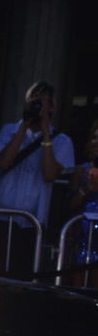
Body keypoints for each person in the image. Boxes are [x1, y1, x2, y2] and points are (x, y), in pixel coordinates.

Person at [0, 81, 74, 277]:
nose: (35, 107)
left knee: (23, 277)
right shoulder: (9, 130)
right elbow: (3, 163)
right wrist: (24, 127)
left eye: (41, 103)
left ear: (51, 107)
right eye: (32, 102)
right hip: (0, 214)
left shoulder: (62, 141)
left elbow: (50, 174)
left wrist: (45, 133)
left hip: (31, 220)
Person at [67, 120, 98, 288]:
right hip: (83, 236)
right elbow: (70, 204)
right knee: (77, 288)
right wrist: (85, 190)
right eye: (94, 137)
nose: (96, 142)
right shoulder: (82, 170)